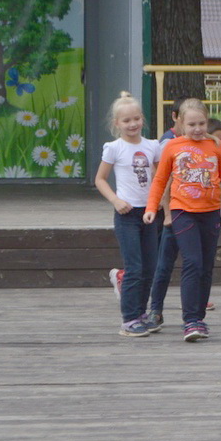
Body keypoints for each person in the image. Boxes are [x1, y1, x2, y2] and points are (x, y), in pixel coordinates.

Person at [143, 99, 221, 341]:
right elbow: (159, 180)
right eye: (191, 124)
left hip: (211, 213)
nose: (197, 129)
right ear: (180, 122)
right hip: (182, 211)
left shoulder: (216, 146)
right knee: (193, 262)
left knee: (206, 266)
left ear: (207, 122)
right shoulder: (173, 146)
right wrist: (151, 208)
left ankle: (199, 318)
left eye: (201, 123)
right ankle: (189, 320)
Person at [94, 91, 163, 336]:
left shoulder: (152, 146)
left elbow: (160, 177)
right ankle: (129, 318)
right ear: (117, 124)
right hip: (127, 214)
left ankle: (141, 312)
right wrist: (115, 200)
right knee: (134, 266)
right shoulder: (114, 148)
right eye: (126, 121)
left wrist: (161, 203)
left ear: (142, 119)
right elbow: (100, 179)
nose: (132, 124)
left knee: (150, 266)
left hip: (150, 213)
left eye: (136, 119)